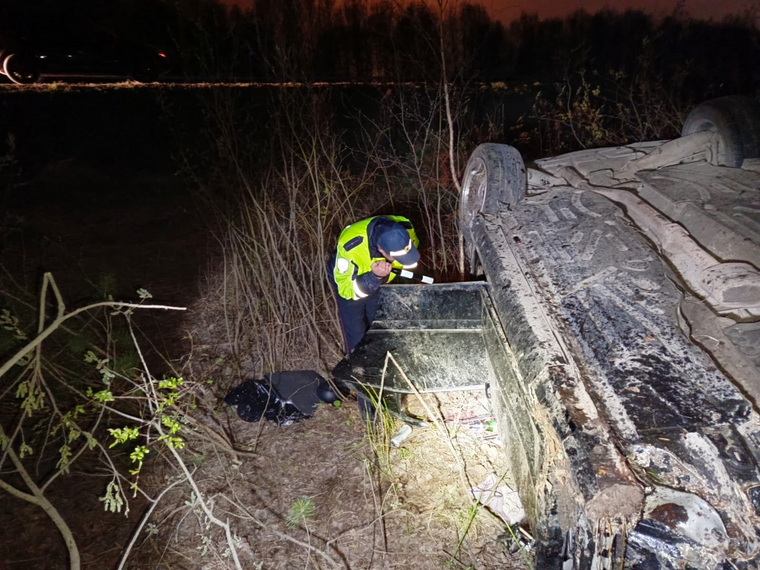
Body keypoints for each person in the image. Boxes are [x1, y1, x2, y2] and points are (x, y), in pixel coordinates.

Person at [327, 215, 420, 354]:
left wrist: (383, 277)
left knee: (381, 327)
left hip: (378, 282)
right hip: (350, 284)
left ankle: (384, 365)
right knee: (356, 336)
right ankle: (358, 372)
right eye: (397, 257)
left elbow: (407, 260)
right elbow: (346, 289)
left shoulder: (405, 226)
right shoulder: (350, 245)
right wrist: (374, 276)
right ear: (381, 250)